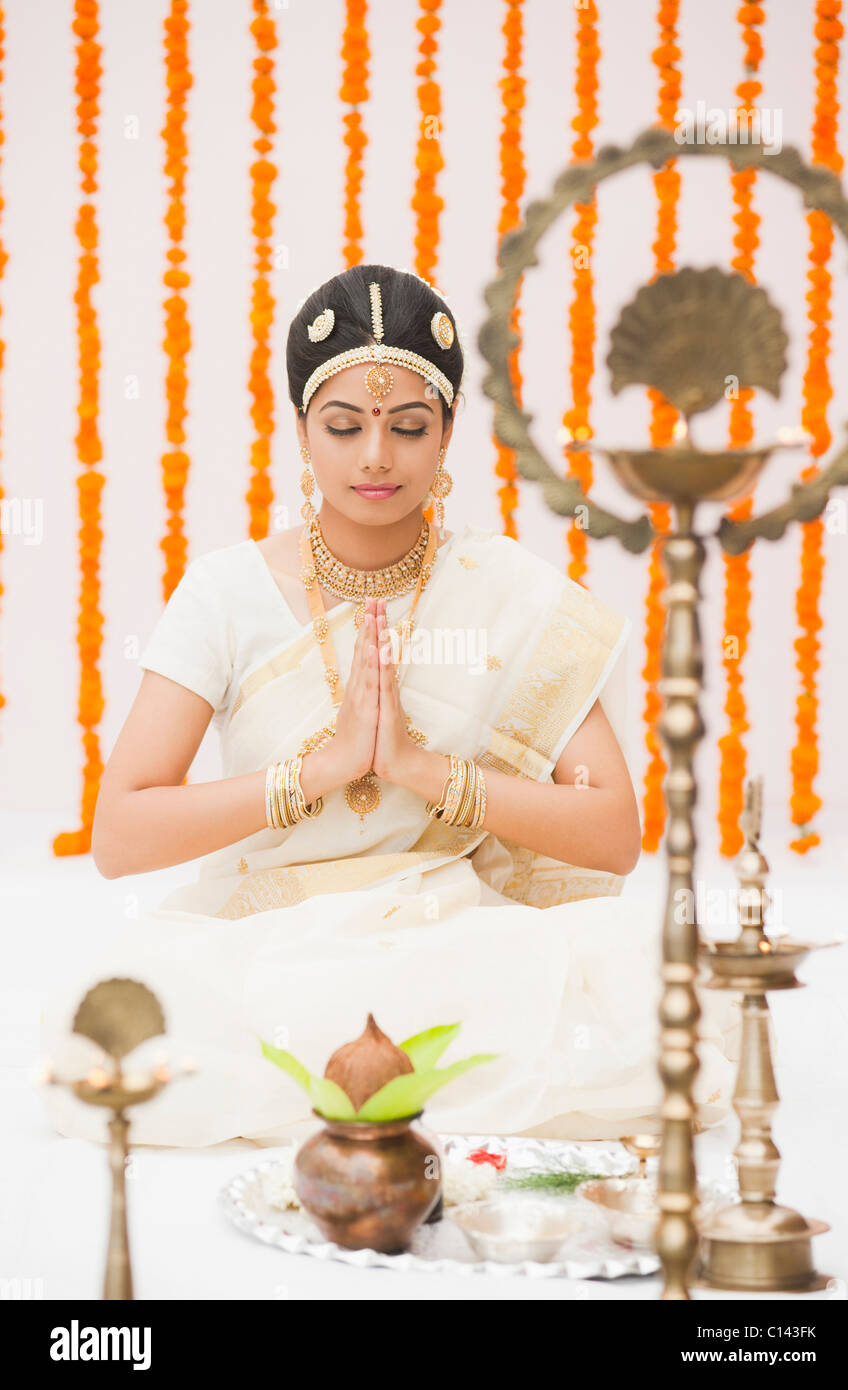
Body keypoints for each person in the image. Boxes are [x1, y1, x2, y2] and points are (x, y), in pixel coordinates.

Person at [40, 264, 739, 1148]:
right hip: (273, 946)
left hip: (457, 936)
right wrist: (317, 773)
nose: (376, 456)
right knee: (125, 1016)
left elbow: (610, 833)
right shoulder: (225, 593)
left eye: (409, 426)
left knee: (645, 985)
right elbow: (121, 836)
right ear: (301, 431)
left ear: (447, 435)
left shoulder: (506, 590)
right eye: (344, 426)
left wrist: (424, 771)